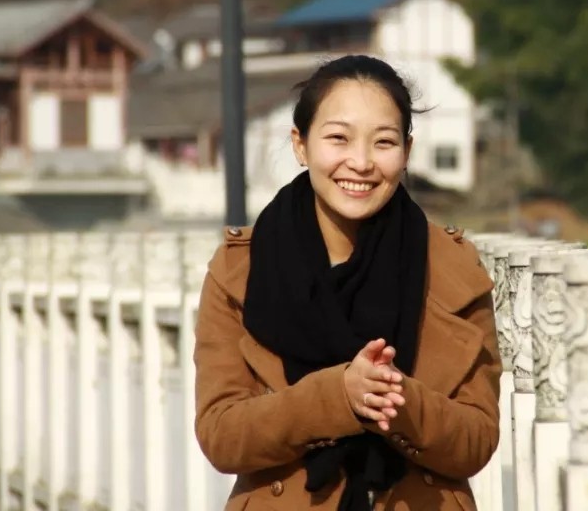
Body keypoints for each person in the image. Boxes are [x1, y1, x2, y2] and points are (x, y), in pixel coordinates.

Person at [193, 54, 501, 510]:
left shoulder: (452, 268)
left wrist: (396, 400)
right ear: (300, 145)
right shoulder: (241, 270)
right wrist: (337, 397)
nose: (360, 163)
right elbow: (221, 434)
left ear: (407, 152)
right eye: (338, 138)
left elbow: (477, 440)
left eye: (384, 142)